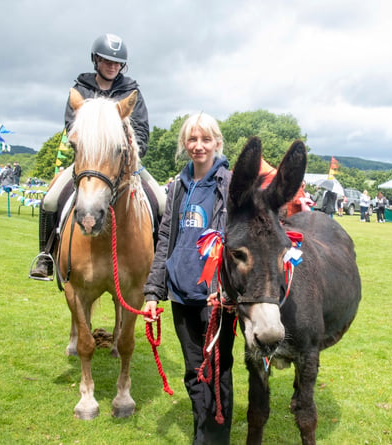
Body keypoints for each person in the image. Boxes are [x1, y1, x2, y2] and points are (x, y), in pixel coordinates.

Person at [30, 33, 163, 279]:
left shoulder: (131, 91)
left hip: (125, 162)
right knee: (50, 200)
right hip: (88, 161)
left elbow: (142, 129)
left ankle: (160, 264)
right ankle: (46, 255)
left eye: (117, 63)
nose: (112, 66)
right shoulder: (80, 89)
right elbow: (72, 126)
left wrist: (133, 151)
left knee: (163, 202)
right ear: (95, 60)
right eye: (106, 61)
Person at [143, 113, 235, 444]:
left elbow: (238, 241)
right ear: (185, 143)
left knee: (218, 374)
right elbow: (166, 237)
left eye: (206, 139)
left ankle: (216, 437)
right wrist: (154, 291)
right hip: (182, 295)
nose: (199, 146)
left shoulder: (229, 185)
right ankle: (202, 435)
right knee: (195, 373)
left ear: (217, 143)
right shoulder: (178, 185)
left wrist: (226, 288)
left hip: (216, 298)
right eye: (193, 139)